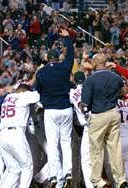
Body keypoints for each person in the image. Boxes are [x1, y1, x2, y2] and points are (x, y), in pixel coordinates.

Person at [81, 53, 127, 188]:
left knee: (96, 150)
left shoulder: (89, 80)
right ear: (106, 63)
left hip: (98, 115)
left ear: (94, 64)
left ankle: (97, 180)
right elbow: (123, 91)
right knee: (115, 149)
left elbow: (85, 103)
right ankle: (120, 179)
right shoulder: (115, 76)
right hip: (113, 113)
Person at [36, 29, 74, 188]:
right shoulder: (65, 67)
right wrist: (67, 39)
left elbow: (38, 91)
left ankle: (53, 176)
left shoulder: (41, 72)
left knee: (52, 144)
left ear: (47, 58)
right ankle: (68, 172)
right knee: (66, 142)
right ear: (58, 58)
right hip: (66, 109)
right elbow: (71, 54)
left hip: (50, 111)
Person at [0, 83, 40, 188]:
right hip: (15, 134)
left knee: (13, 169)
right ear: (25, 91)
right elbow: (38, 94)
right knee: (27, 166)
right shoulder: (24, 95)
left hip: (2, 135)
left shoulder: (7, 97)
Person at [69, 71, 93, 188]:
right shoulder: (91, 87)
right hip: (98, 123)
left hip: (86, 127)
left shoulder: (72, 92)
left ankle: (87, 184)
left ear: (74, 80)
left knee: (84, 159)